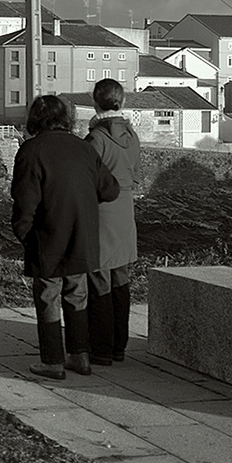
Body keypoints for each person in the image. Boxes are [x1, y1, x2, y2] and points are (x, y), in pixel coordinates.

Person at [11, 94, 119, 379]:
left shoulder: (31, 151)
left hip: (48, 233)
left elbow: (25, 201)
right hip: (82, 232)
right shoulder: (84, 149)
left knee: (48, 296)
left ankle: (53, 361)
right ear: (66, 119)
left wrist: (23, 233)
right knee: (77, 295)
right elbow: (110, 190)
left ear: (35, 119)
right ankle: (79, 356)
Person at [85, 78, 141, 365]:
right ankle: (119, 345)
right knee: (121, 281)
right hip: (125, 211)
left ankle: (101, 347)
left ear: (95, 102)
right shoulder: (132, 135)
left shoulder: (96, 138)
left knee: (99, 282)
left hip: (101, 212)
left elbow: (85, 178)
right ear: (122, 102)